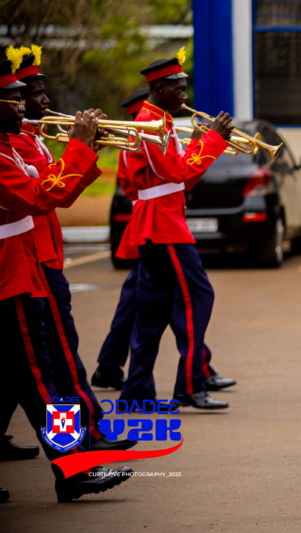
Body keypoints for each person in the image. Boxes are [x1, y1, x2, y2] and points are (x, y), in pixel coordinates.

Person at [0, 52, 133, 501]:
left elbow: (51, 195)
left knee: (25, 379)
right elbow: (39, 197)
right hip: (13, 274)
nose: (22, 107)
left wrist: (84, 150)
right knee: (44, 383)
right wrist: (78, 146)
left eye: (24, 98)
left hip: (24, 267)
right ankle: (74, 468)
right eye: (12, 99)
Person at [91, 88, 234, 394]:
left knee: (149, 309)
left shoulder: (162, 128)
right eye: (178, 87)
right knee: (193, 299)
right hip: (160, 223)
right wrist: (213, 140)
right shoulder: (146, 130)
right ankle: (191, 383)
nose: (185, 94)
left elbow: (181, 178)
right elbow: (175, 173)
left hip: (160, 220)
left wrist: (202, 143)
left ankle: (135, 383)